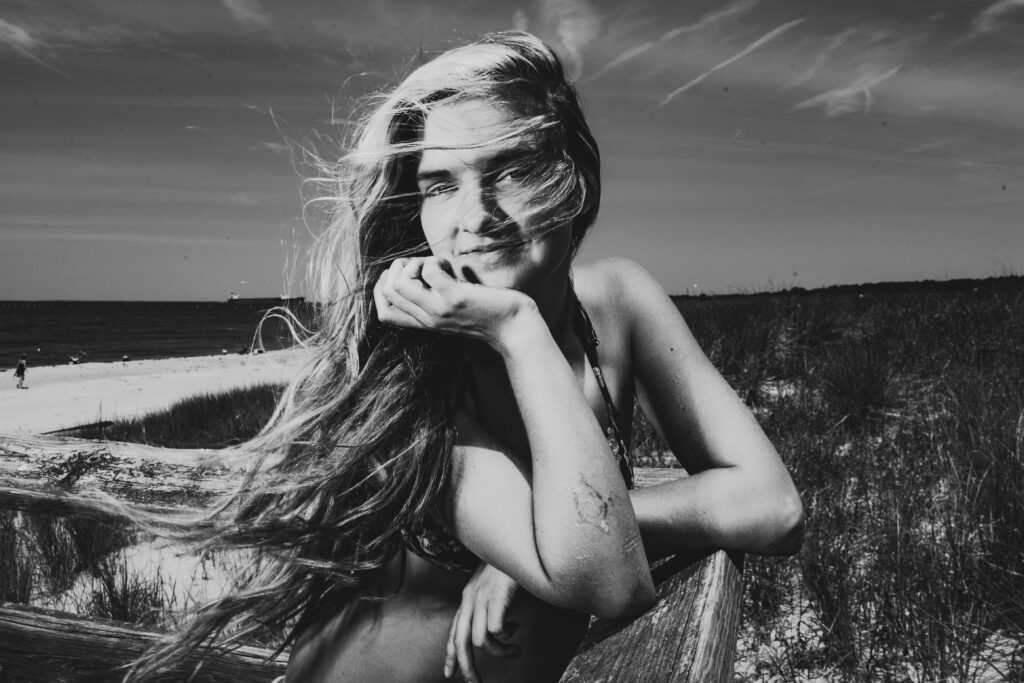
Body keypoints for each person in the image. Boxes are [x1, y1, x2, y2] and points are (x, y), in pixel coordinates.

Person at [127, 31, 803, 683]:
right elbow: (611, 578)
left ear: (574, 176)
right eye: (440, 184)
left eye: (508, 169)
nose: (476, 214)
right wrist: (518, 330)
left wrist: (545, 542)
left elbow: (773, 507)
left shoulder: (618, 303)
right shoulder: (414, 380)